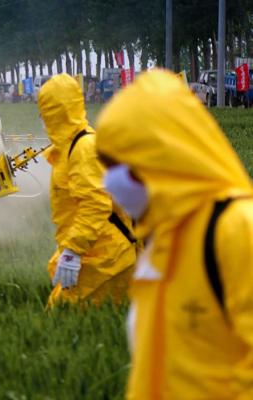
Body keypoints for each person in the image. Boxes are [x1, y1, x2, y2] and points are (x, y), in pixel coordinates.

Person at [97, 70, 253, 399]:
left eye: (120, 165)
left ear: (161, 157)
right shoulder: (162, 242)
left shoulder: (237, 230)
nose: (110, 181)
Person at [37, 73, 136, 306]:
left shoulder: (83, 148)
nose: (41, 116)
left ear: (56, 111)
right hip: (94, 253)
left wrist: (73, 250)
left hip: (106, 259)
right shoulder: (69, 147)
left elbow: (95, 205)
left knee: (62, 320)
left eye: (44, 109)